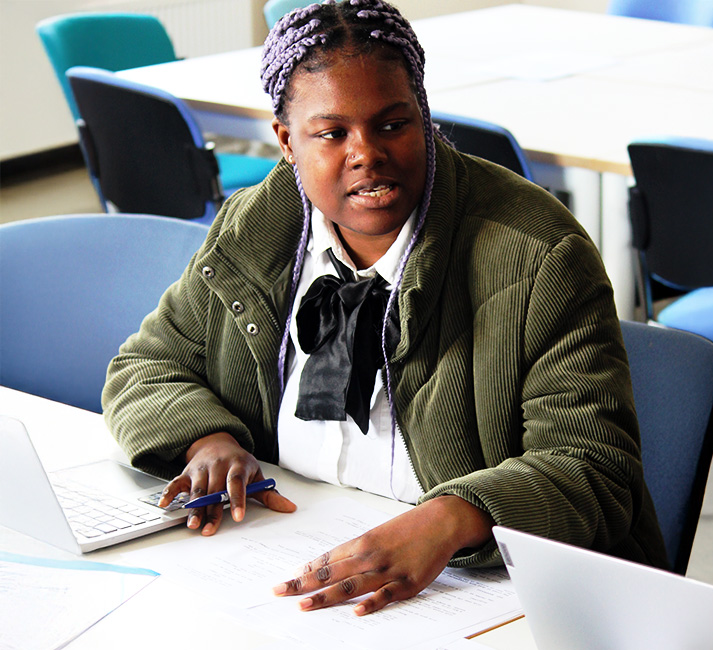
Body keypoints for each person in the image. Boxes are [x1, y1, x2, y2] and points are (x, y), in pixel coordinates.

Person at [103, 0, 668, 617]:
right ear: (288, 142)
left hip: (486, 593)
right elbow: (146, 366)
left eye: (393, 124)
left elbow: (595, 470)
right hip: (282, 566)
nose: (365, 153)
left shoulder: (537, 254)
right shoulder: (254, 231)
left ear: (425, 119)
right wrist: (205, 440)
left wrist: (455, 517)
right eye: (332, 133)